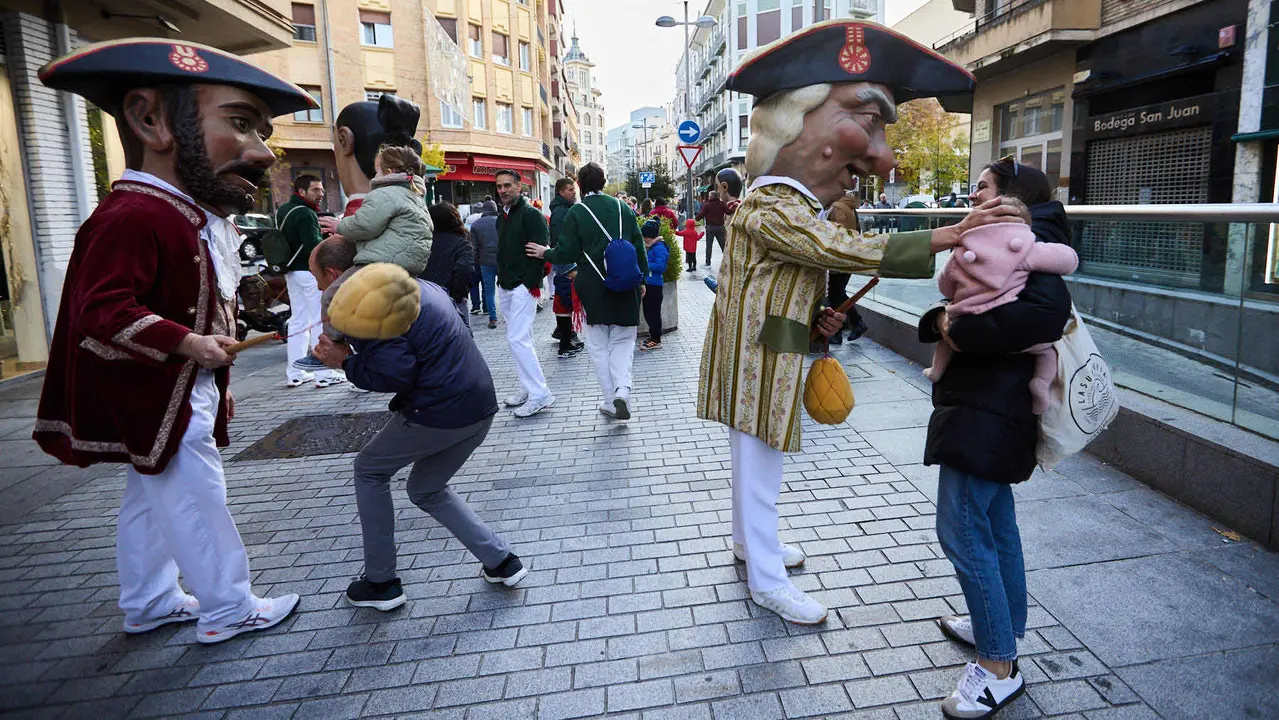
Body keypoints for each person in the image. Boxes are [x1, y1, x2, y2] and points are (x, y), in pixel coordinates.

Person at [698, 20, 1028, 635]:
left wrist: (817, 321)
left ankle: (751, 546)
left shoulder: (783, 203)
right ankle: (767, 578)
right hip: (757, 359)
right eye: (867, 121)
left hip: (769, 345)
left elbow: (779, 286)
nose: (881, 155)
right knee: (761, 462)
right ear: (797, 125)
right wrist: (951, 234)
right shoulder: (775, 204)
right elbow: (843, 249)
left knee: (754, 460)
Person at [34, 39, 312, 644]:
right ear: (150, 120)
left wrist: (213, 378)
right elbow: (100, 310)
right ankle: (228, 607)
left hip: (174, 391)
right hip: (154, 390)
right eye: (240, 124)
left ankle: (150, 600)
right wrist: (189, 347)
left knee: (152, 495)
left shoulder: (176, 213)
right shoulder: (135, 215)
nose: (261, 153)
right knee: (195, 496)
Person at [923, 158, 1073, 720]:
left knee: (961, 527)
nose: (972, 193)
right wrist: (943, 323)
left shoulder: (1030, 240)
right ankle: (1002, 627)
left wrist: (955, 329)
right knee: (994, 522)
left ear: (1011, 195)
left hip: (994, 406)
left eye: (982, 186)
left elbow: (1044, 317)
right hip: (987, 402)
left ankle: (996, 667)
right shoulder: (1004, 236)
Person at [309, 238, 527, 611]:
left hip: (442, 410)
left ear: (333, 275)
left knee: (369, 470)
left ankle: (381, 582)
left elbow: (395, 372)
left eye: (317, 281)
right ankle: (502, 561)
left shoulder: (364, 301)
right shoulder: (410, 281)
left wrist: (344, 363)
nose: (317, 289)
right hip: (478, 402)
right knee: (426, 488)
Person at [528, 162, 647, 420]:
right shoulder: (623, 207)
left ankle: (609, 399)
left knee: (598, 346)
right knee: (624, 341)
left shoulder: (577, 212)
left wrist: (544, 252)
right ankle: (623, 391)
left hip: (593, 285)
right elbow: (638, 244)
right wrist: (643, 279)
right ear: (604, 182)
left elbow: (566, 252)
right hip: (626, 283)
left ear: (580, 185)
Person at [495, 169, 555, 417]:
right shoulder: (504, 216)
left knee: (517, 339)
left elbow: (541, 252)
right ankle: (530, 389)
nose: (502, 190)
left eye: (507, 185)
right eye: (499, 186)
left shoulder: (531, 215)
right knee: (521, 339)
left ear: (520, 187)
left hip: (522, 286)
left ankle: (540, 394)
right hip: (507, 284)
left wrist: (530, 283)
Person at [278, 175, 346, 388]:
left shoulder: (284, 210)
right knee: (319, 319)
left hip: (291, 272)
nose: (321, 193)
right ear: (301, 192)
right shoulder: (306, 214)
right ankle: (324, 374)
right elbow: (314, 247)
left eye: (321, 189)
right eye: (315, 190)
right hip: (309, 273)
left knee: (298, 320)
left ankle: (295, 373)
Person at [335, 144, 433, 276]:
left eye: (377, 172)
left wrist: (338, 225)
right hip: (410, 266)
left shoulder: (384, 194)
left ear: (389, 172)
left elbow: (364, 226)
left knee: (334, 292)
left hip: (381, 264)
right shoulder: (415, 196)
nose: (374, 176)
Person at [421, 202, 476, 326]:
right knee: (460, 339)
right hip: (450, 300)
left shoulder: (423, 242)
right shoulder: (461, 243)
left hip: (425, 300)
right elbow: (465, 270)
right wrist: (458, 295)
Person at [548, 177, 585, 357]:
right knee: (565, 300)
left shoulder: (565, 209)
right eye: (570, 189)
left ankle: (566, 338)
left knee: (565, 301)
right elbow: (560, 239)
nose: (573, 192)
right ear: (561, 191)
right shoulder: (561, 212)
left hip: (567, 261)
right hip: (566, 262)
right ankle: (565, 342)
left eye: (574, 189)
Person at [640, 219, 669, 351]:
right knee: (648, 312)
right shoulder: (651, 246)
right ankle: (653, 336)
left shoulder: (659, 247)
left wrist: (645, 265)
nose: (644, 239)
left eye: (645, 236)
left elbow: (661, 266)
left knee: (654, 314)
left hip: (655, 285)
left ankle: (656, 339)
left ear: (651, 236)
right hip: (648, 283)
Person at [471, 200, 500, 330]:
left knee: (489, 291)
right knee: (506, 288)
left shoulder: (476, 225)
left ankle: (493, 318)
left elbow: (474, 248)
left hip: (485, 262)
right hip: (502, 260)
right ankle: (511, 315)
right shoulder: (501, 221)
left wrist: (476, 261)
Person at [695, 177, 731, 268]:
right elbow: (728, 212)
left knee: (709, 246)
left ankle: (708, 262)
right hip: (720, 227)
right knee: (723, 245)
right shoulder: (722, 204)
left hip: (710, 228)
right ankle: (728, 261)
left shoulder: (707, 204)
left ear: (710, 197)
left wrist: (696, 219)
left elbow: (701, 215)